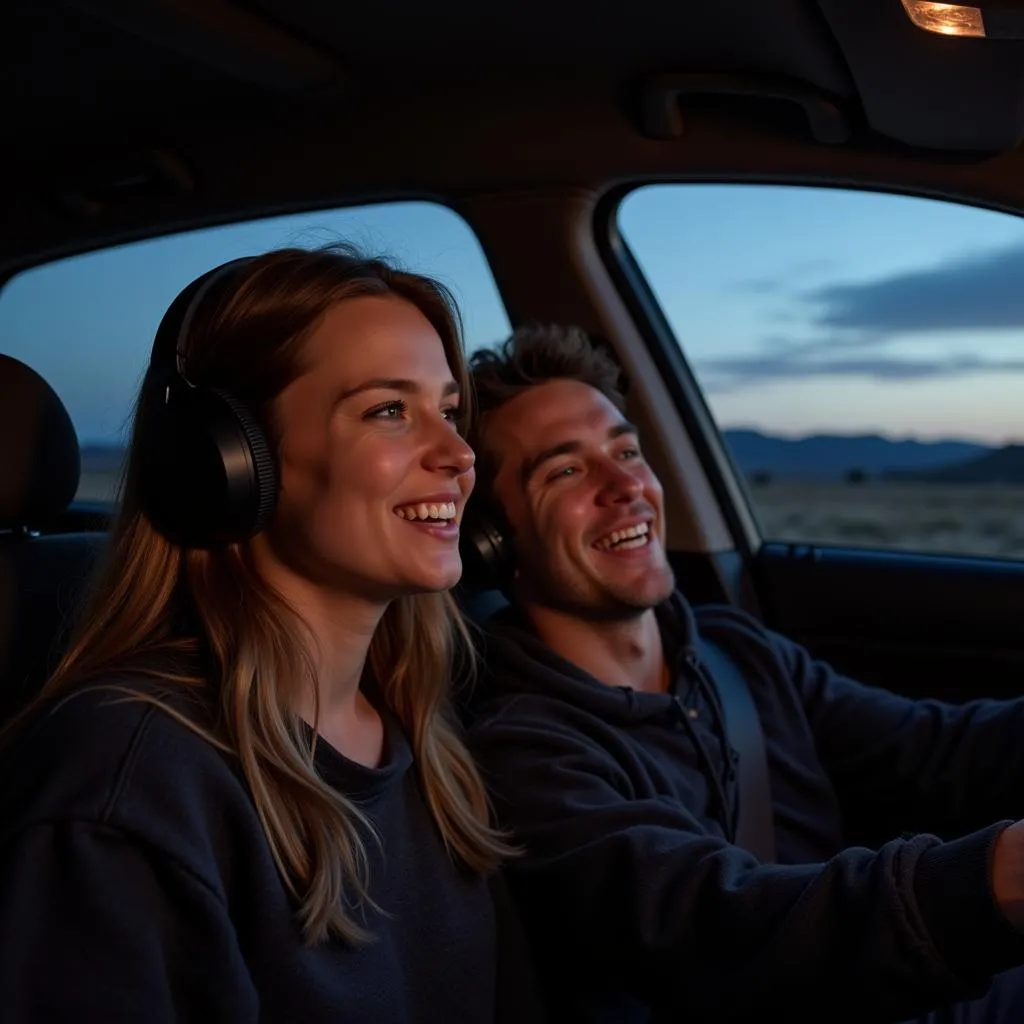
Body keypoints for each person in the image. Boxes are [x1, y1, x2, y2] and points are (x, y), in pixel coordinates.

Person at [0, 246, 542, 1023]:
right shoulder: (125, 788)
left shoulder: (419, 731)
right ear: (228, 464)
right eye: (390, 410)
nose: (458, 455)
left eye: (448, 411)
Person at [462, 323, 1024, 1024]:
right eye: (565, 470)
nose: (625, 485)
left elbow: (935, 751)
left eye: (627, 451)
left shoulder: (735, 652)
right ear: (493, 543)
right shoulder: (521, 752)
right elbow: (715, 925)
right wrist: (997, 877)